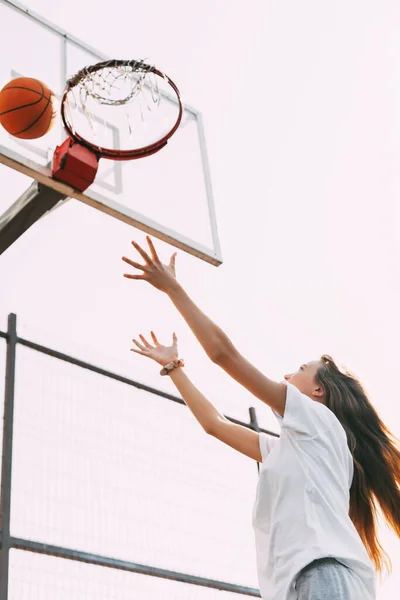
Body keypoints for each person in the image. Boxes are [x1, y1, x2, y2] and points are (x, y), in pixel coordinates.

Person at [122, 236, 400, 600]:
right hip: (305, 582)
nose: (287, 376)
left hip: (324, 575)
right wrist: (174, 367)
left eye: (300, 369)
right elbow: (214, 424)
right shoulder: (296, 446)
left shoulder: (319, 422)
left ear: (319, 392)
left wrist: (174, 289)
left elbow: (224, 356)